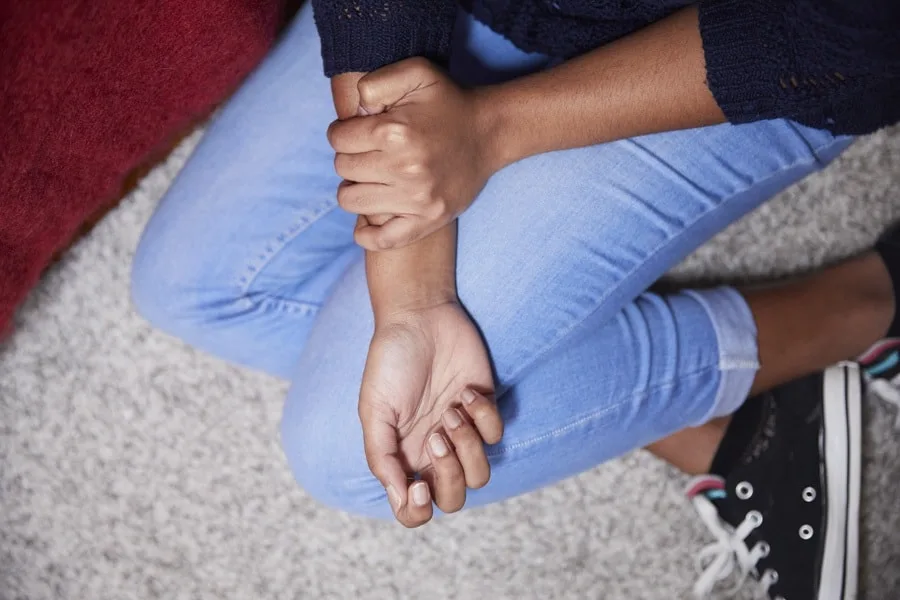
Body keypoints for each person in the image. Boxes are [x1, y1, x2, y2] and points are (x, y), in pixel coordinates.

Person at [129, 1, 900, 597]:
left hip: (740, 52)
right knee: (194, 288)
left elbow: (849, 35)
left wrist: (491, 131)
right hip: (482, 12)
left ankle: (865, 303)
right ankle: (708, 415)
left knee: (356, 459)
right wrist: (412, 293)